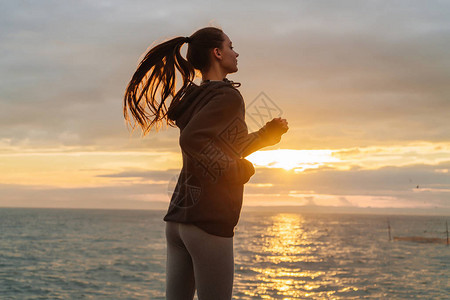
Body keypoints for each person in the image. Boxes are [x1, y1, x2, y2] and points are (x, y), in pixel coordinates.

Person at [123, 26, 288, 300]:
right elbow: (195, 141)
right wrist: (238, 171)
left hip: (178, 220)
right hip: (208, 220)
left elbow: (223, 148)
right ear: (217, 53)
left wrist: (266, 136)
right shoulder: (227, 96)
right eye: (231, 46)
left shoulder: (197, 96)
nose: (236, 53)